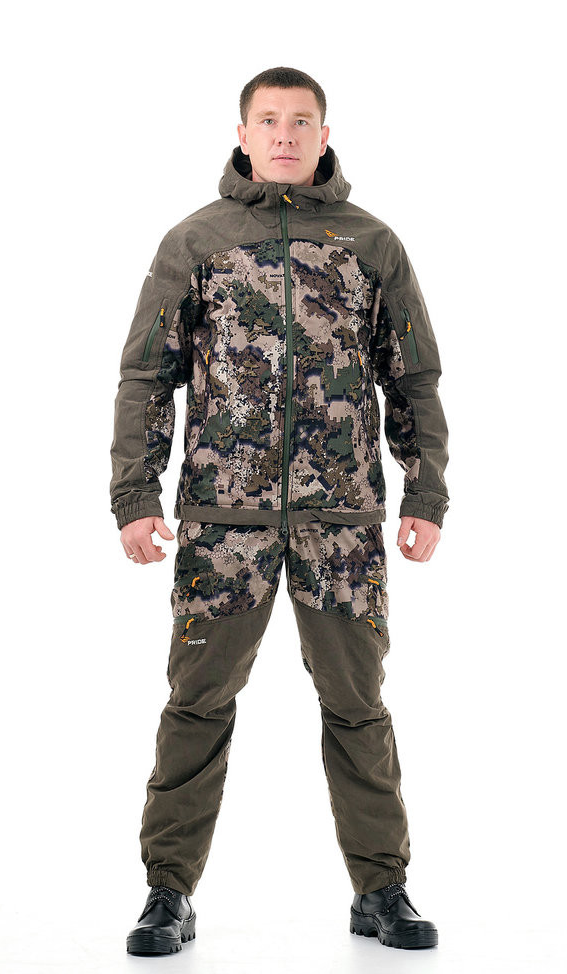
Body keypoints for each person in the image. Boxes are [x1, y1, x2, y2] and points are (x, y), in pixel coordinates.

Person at [110, 66, 450, 956]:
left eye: (301, 121)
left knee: (357, 706)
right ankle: (166, 893)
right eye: (269, 120)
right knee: (196, 704)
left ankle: (381, 889)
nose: (286, 134)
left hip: (342, 522)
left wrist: (424, 490)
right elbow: (147, 374)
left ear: (324, 135)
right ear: (244, 134)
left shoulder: (371, 243)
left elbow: (412, 376)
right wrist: (135, 495)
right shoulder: (197, 240)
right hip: (223, 523)